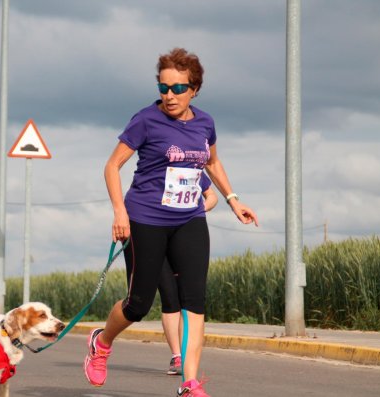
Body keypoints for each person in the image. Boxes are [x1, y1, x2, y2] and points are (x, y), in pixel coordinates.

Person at [83, 48, 258, 397]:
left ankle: (189, 383)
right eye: (164, 87)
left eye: (178, 89)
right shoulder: (146, 120)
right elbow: (111, 166)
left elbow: (213, 162)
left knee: (195, 301)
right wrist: (120, 212)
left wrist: (232, 199)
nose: (169, 95)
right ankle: (101, 343)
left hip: (189, 218)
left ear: (194, 89)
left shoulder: (205, 123)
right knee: (138, 304)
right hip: (144, 219)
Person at [160, 174, 218, 376]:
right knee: (169, 298)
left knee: (189, 300)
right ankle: (177, 355)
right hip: (156, 237)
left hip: (183, 237)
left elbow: (212, 196)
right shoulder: (156, 168)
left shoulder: (194, 170)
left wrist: (199, 209)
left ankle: (184, 358)